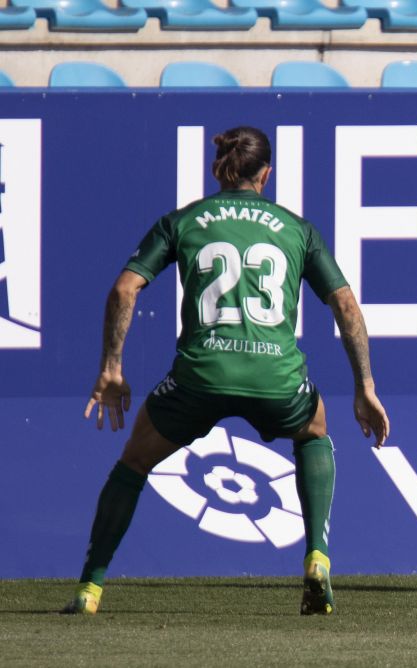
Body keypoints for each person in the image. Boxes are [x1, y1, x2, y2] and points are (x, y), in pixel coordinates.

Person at [64, 126, 389, 616]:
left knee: (133, 461)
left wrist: (112, 367)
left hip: (200, 377)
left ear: (221, 169)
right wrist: (364, 386)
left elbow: (124, 290)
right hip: (276, 378)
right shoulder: (297, 228)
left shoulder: (184, 220)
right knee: (316, 427)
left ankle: (90, 589)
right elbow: (344, 303)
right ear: (266, 174)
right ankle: (317, 557)